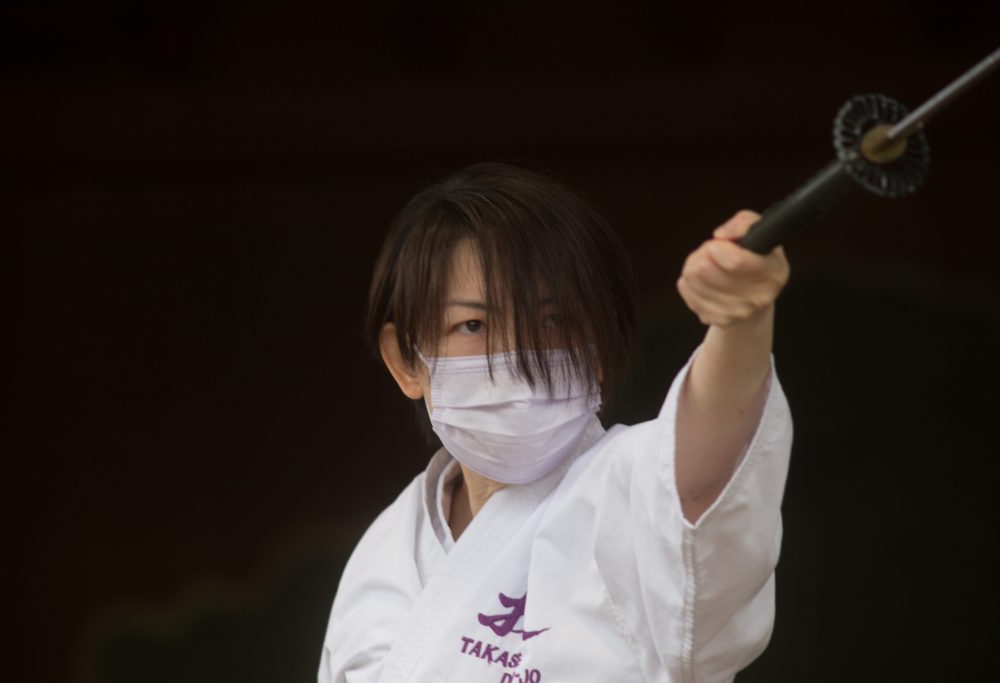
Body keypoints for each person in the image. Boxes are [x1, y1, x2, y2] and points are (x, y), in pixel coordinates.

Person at [318, 162, 792, 683]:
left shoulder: (627, 490)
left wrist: (741, 321)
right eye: (472, 325)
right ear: (406, 361)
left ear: (600, 345)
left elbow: (704, 478)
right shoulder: (384, 553)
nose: (516, 358)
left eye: (553, 320)